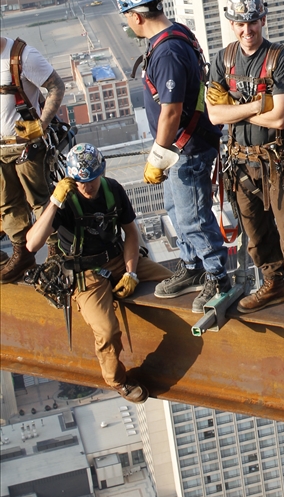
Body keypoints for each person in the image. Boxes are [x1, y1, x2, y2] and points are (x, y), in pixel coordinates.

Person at [206, 0, 284, 341]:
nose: (246, 30)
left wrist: (235, 112)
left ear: (262, 19)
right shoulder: (223, 60)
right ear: (232, 23)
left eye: (252, 22)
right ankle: (272, 283)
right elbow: (213, 114)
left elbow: (282, 118)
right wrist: (256, 107)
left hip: (276, 163)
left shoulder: (279, 60)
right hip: (240, 164)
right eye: (240, 23)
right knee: (255, 234)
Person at [116, 0, 230, 312]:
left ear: (136, 17)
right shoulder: (175, 34)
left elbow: (171, 110)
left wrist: (158, 156)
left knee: (193, 216)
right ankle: (192, 265)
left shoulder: (166, 51)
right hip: (179, 147)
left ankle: (216, 275)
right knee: (174, 209)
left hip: (185, 148)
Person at [26, 143, 173, 403]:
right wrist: (54, 201)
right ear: (72, 179)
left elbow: (131, 233)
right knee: (106, 331)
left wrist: (132, 273)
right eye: (82, 182)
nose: (88, 187)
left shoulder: (112, 190)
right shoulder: (66, 201)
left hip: (116, 258)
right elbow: (32, 243)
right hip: (85, 273)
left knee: (170, 283)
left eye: (92, 180)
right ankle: (118, 381)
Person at [0, 35, 65, 282]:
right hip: (1, 147)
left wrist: (43, 124)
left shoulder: (21, 56)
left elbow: (56, 86)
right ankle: (21, 252)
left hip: (27, 144)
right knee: (8, 202)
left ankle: (55, 250)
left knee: (39, 199)